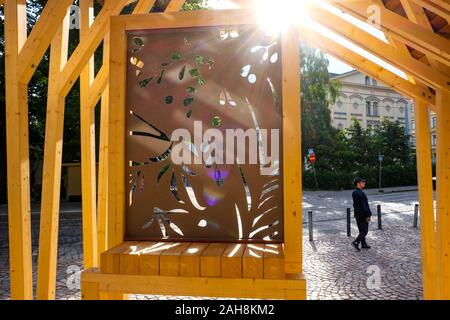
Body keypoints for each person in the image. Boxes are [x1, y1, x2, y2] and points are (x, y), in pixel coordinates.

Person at [351, 177, 372, 251]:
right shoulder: (361, 193)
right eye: (362, 182)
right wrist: (368, 215)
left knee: (361, 230)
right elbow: (364, 205)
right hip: (363, 215)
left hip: (357, 214)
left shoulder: (354, 192)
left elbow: (355, 204)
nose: (364, 183)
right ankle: (356, 242)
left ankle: (363, 244)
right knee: (364, 231)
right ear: (358, 183)